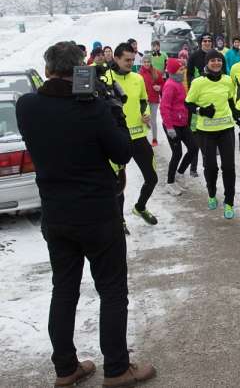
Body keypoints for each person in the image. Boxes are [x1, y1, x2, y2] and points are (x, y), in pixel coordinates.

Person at [16, 42, 156, 388]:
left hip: (55, 214)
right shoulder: (94, 109)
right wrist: (114, 109)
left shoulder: (26, 106)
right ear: (82, 69)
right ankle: (117, 369)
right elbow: (122, 152)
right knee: (111, 291)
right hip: (97, 213)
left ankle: (66, 368)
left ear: (47, 71)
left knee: (63, 290)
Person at [107, 43, 159, 231]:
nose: (130, 63)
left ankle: (140, 207)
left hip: (138, 135)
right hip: (117, 137)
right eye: (127, 60)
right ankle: (119, 219)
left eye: (132, 59)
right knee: (118, 183)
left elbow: (143, 100)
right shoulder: (107, 78)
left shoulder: (137, 78)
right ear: (116, 59)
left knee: (152, 178)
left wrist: (144, 113)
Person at [185, 49, 238, 218]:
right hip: (206, 131)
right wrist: (201, 110)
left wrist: (237, 114)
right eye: (213, 60)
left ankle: (229, 202)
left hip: (226, 128)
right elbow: (188, 104)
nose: (216, 63)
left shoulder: (227, 80)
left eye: (219, 60)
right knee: (211, 167)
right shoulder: (198, 82)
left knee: (229, 167)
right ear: (207, 63)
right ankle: (212, 193)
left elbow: (229, 100)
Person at [161, 58, 198, 195]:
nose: (183, 72)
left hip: (182, 123)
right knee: (177, 153)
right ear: (173, 71)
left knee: (194, 147)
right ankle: (170, 183)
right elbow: (164, 107)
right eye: (181, 69)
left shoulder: (179, 83)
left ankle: (180, 173)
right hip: (172, 124)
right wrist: (169, 127)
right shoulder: (170, 85)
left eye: (183, 69)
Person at [138, 54, 165, 147]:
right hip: (143, 100)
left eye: (148, 62)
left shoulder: (155, 72)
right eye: (144, 62)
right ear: (142, 62)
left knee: (153, 119)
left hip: (153, 99)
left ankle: (154, 138)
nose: (146, 64)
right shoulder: (139, 74)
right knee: (143, 118)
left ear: (150, 62)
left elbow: (162, 83)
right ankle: (143, 138)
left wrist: (159, 87)